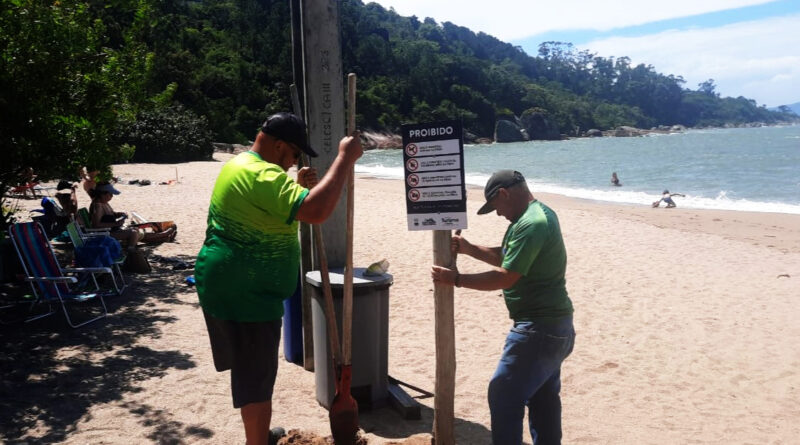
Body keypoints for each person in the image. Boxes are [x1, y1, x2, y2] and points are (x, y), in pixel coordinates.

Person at [195, 112, 363, 445]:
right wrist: (344, 159)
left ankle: (257, 435)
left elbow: (267, 207)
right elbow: (316, 211)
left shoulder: (240, 164)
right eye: (295, 154)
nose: (294, 162)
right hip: (248, 292)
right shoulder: (264, 175)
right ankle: (256, 442)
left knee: (250, 371)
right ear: (280, 145)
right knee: (256, 377)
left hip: (226, 283)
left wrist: (297, 189)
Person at [431, 170, 575, 445]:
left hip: (539, 329)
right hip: (556, 328)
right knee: (543, 399)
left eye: (495, 206)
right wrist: (470, 248)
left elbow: (505, 276)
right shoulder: (534, 215)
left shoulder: (532, 223)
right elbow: (507, 255)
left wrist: (456, 280)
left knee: (504, 394)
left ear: (504, 194)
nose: (498, 214)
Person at [89, 182, 143, 248]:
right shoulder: (98, 206)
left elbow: (111, 214)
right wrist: (116, 224)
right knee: (133, 233)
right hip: (104, 234)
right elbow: (96, 225)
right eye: (110, 194)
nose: (112, 196)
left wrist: (120, 214)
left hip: (110, 231)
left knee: (136, 229)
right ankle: (130, 252)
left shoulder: (104, 202)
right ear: (102, 194)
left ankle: (129, 248)